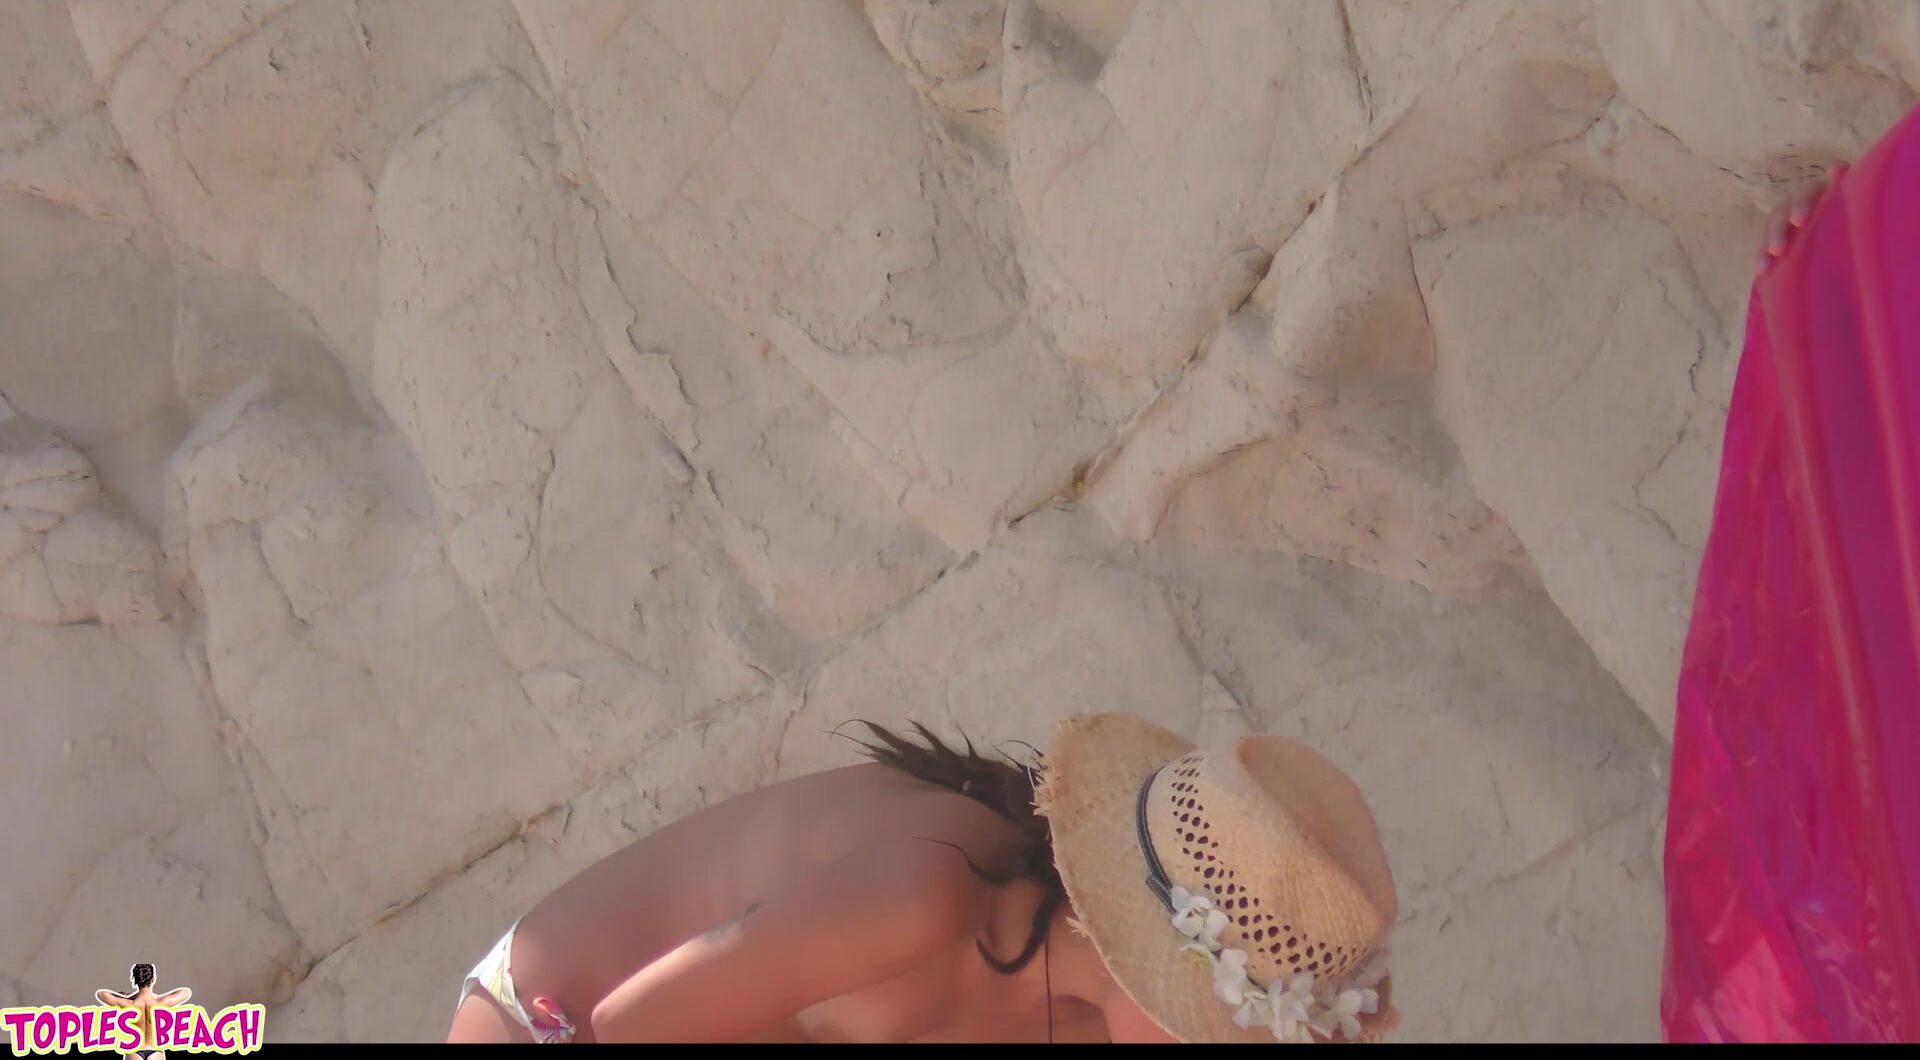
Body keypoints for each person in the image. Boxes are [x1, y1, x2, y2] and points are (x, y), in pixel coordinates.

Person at [445, 712, 1397, 1043]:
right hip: (553, 1022)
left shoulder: (1079, 1019)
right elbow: (628, 1029)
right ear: (1153, 966)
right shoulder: (929, 893)